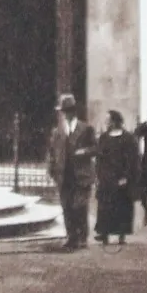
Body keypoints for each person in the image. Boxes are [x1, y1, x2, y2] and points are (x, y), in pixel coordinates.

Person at [46, 94, 97, 251]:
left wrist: (84, 151)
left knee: (79, 206)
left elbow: (95, 148)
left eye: (67, 111)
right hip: (64, 175)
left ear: (73, 111)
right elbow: (52, 152)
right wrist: (51, 170)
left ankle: (82, 236)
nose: (65, 114)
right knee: (67, 207)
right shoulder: (57, 132)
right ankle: (71, 237)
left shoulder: (86, 129)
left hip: (81, 175)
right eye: (63, 111)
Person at [93, 111, 139, 246]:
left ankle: (121, 235)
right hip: (106, 178)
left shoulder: (128, 138)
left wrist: (126, 176)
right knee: (105, 206)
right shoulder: (104, 138)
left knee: (122, 206)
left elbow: (132, 160)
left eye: (108, 120)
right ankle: (104, 233)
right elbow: (99, 158)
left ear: (114, 121)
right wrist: (98, 175)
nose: (106, 122)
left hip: (121, 178)